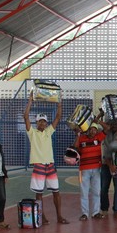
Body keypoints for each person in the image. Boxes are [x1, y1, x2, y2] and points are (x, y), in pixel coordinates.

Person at [23, 91, 68, 224]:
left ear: (46, 123)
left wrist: (59, 102)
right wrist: (30, 101)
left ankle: (59, 216)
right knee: (39, 193)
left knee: (56, 191)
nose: (42, 123)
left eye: (44, 121)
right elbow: (25, 117)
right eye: (40, 121)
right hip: (39, 165)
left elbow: (58, 117)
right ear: (36, 123)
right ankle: (41, 216)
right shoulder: (32, 133)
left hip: (50, 165)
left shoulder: (49, 131)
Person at [73, 122, 107, 221]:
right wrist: (78, 135)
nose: (92, 131)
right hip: (83, 170)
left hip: (96, 169)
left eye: (94, 129)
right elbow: (75, 147)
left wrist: (98, 121)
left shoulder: (99, 137)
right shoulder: (81, 138)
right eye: (91, 129)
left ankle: (96, 212)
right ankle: (85, 213)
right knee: (84, 192)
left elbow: (107, 128)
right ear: (87, 130)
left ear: (97, 131)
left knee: (96, 192)